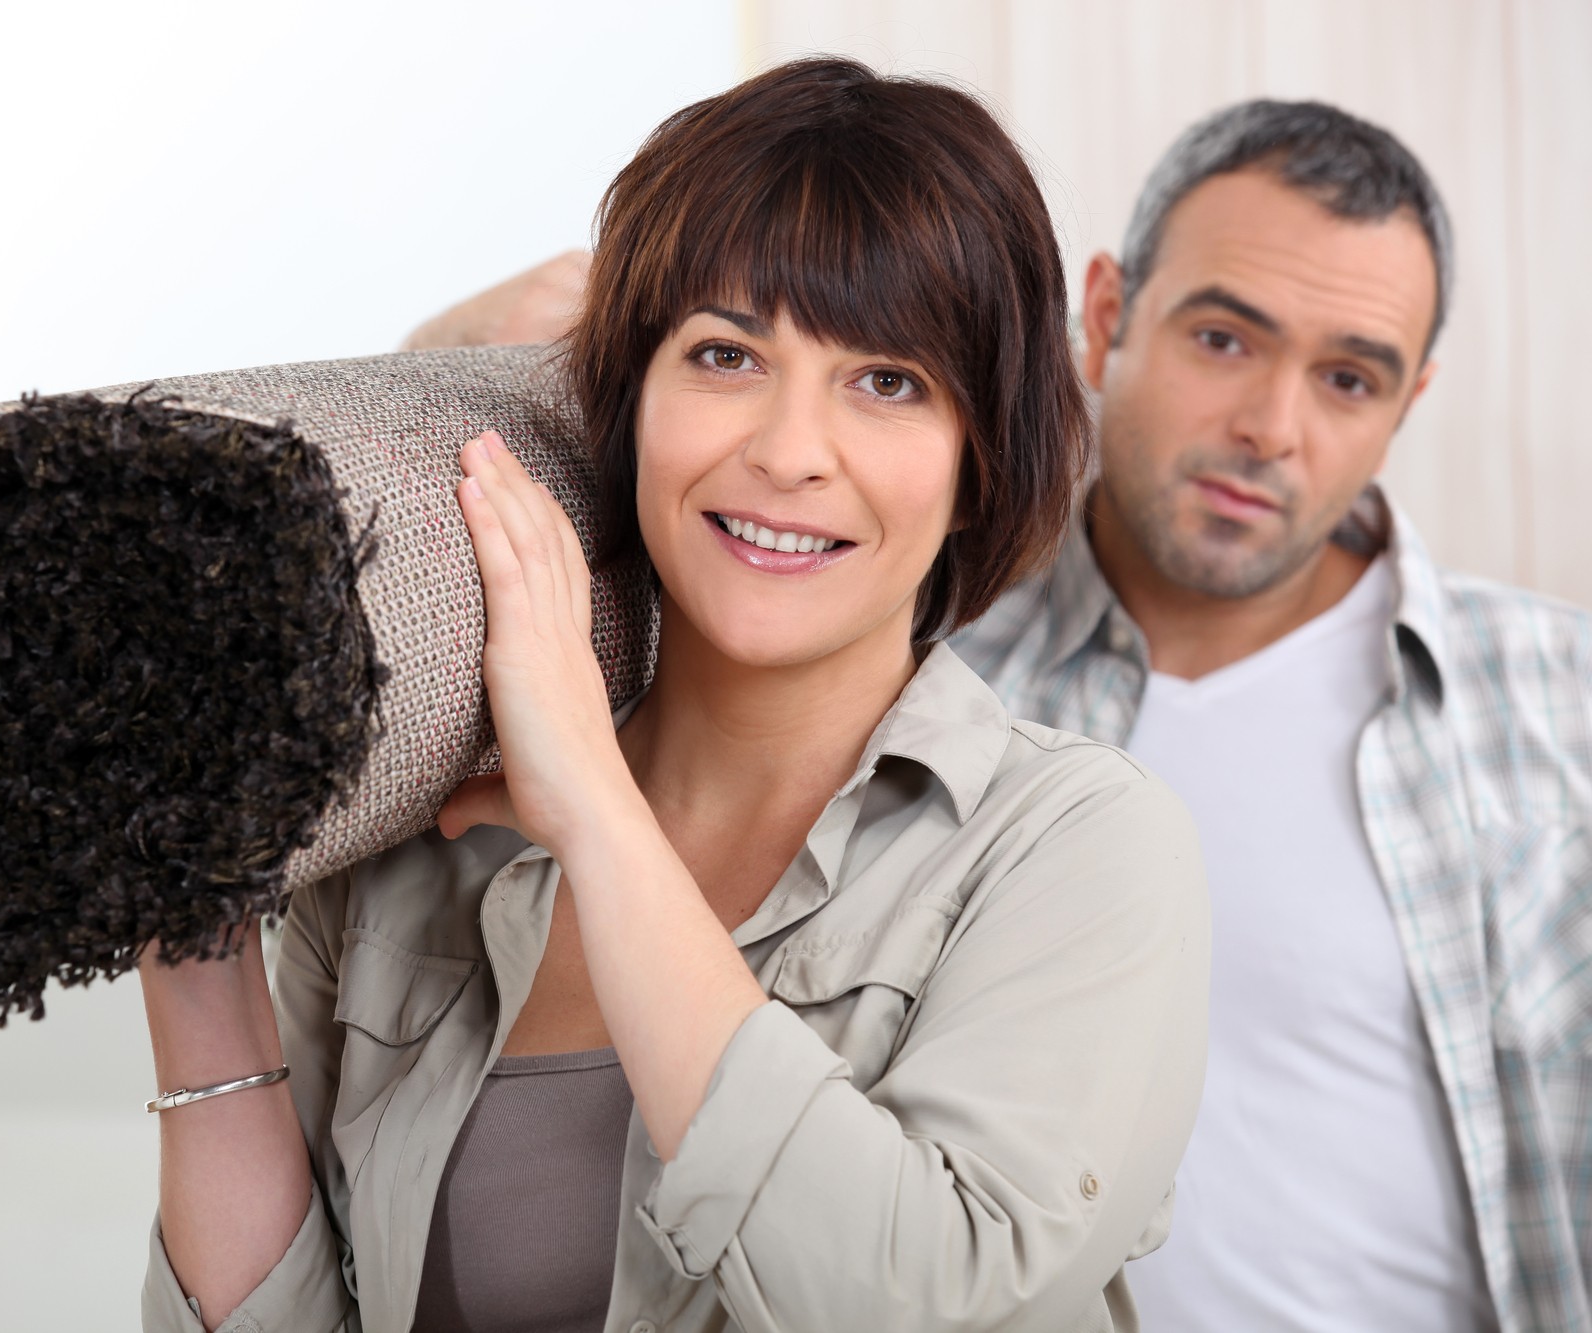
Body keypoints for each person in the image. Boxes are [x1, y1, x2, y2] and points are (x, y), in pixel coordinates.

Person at [416, 97, 1592, 1332]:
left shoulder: (1550, 705)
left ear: (1409, 400)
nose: (1270, 428)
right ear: (1104, 316)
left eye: (1348, 377)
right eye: (1222, 340)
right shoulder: (885, 613)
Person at [140, 58, 1211, 1333]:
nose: (786, 452)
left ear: (980, 464)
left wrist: (594, 809)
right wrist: (183, 940)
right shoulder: (419, 842)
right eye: (724, 353)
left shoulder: (1074, 846)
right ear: (629, 400)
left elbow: (915, 1294)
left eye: (887, 382)